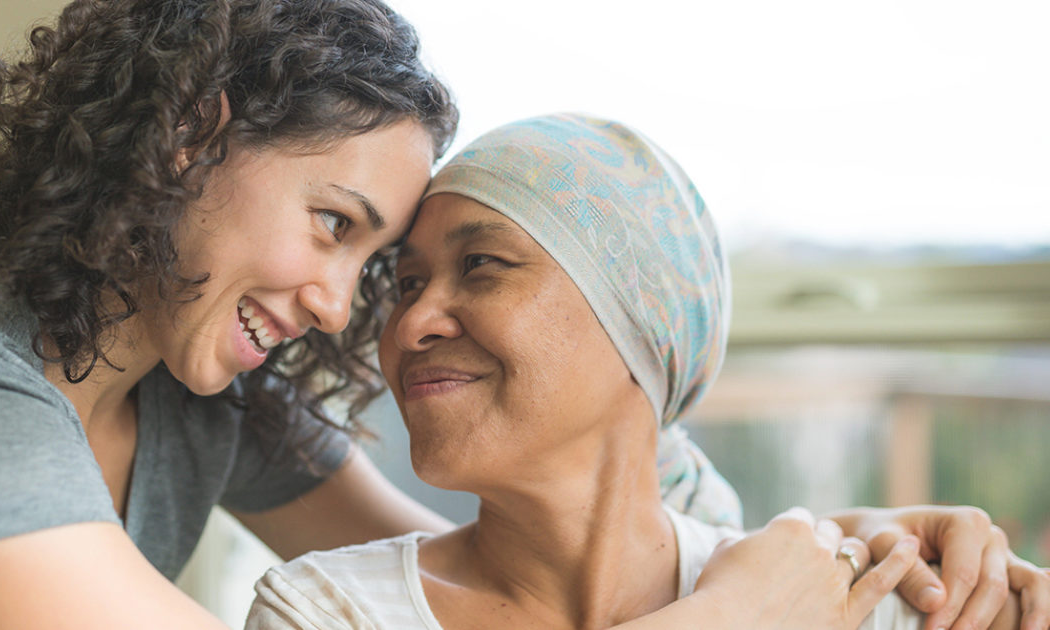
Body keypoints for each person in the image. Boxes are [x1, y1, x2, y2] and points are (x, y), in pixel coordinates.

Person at [0, 0, 1040, 627]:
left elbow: (506, 562)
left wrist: (846, 553)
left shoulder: (200, 388)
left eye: (374, 263)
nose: (337, 308)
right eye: (334, 223)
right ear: (189, 137)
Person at [244, 114, 1050, 629]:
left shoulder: (858, 598)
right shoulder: (325, 611)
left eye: (483, 265)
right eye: (408, 284)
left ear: (640, 324)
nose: (410, 321)